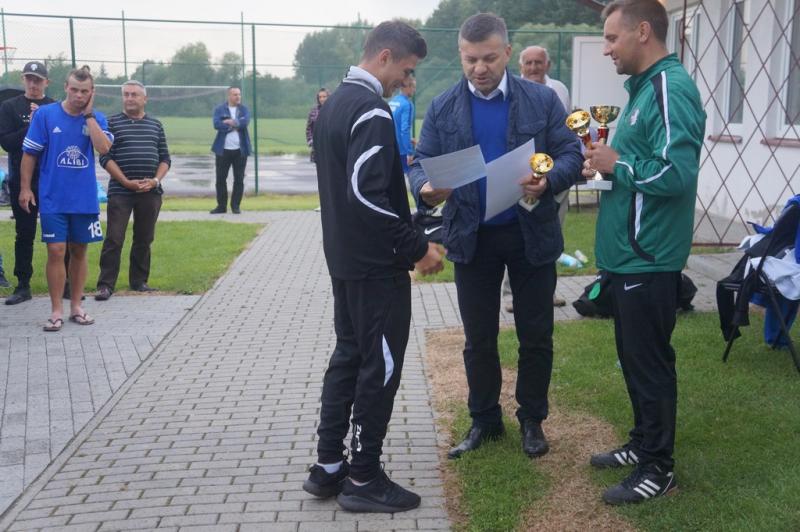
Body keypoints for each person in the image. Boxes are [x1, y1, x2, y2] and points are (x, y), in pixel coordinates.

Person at [409, 13, 582, 460]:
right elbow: (420, 162)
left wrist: (549, 179)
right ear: (460, 55)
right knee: (479, 338)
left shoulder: (542, 100)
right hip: (473, 237)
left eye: (488, 58)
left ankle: (532, 420)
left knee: (536, 334)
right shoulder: (443, 106)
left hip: (531, 235)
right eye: (470, 59)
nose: (479, 68)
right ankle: (484, 419)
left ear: (507, 52)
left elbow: (570, 151)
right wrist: (424, 188)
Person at [303, 20, 443, 513]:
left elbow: (353, 191)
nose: (406, 82)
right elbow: (365, 195)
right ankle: (363, 476)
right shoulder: (371, 110)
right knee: (378, 366)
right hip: (375, 267)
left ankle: (328, 466)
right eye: (405, 71)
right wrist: (416, 247)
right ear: (384, 56)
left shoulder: (333, 104)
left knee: (348, 356)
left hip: (344, 261)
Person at [582, 0, 705, 505]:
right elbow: (636, 165)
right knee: (634, 361)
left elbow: (678, 174)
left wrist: (618, 164)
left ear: (644, 32)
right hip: (628, 257)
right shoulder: (641, 90)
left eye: (612, 38)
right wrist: (604, 166)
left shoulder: (670, 88)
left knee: (650, 365)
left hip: (650, 258)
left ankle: (658, 468)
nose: (606, 49)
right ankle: (641, 443)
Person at [19, 66, 113, 331]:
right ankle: (56, 310)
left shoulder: (97, 118)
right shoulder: (46, 115)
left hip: (84, 199)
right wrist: (25, 189)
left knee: (79, 250)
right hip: (53, 197)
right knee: (56, 250)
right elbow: (29, 154)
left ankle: (76, 307)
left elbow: (104, 148)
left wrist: (89, 116)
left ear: (91, 92)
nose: (78, 95)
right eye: (74, 90)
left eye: (84, 91)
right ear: (65, 87)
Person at [503, 45, 575, 312]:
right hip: (524, 179)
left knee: (552, 232)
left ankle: (548, 291)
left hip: (556, 177)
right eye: (529, 63)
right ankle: (510, 293)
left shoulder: (560, 90)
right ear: (520, 66)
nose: (533, 67)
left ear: (548, 65)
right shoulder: (511, 92)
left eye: (538, 62)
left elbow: (566, 134)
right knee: (516, 234)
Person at [95, 80, 171, 301]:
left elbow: (165, 158)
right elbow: (105, 157)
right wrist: (126, 181)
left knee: (144, 238)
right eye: (126, 94)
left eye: (134, 94)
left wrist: (155, 181)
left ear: (144, 99)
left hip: (150, 192)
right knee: (114, 238)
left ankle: (139, 281)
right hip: (121, 191)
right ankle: (105, 285)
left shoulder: (155, 125)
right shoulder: (111, 123)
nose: (129, 98)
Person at [0, 61, 55, 305]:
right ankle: (23, 285)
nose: (33, 84)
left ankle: (64, 283)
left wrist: (42, 120)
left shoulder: (54, 107)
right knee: (25, 233)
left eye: (38, 80)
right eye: (29, 78)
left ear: (46, 82)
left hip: (51, 180)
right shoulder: (9, 106)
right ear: (23, 79)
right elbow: (7, 143)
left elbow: (58, 141)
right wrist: (31, 126)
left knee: (58, 233)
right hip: (22, 181)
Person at [210, 86, 251, 214]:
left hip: (240, 150)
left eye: (239, 94)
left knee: (239, 179)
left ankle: (235, 206)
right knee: (220, 179)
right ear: (229, 96)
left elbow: (245, 122)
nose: (238, 97)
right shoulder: (219, 109)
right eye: (235, 94)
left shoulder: (244, 109)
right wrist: (234, 125)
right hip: (223, 150)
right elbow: (216, 124)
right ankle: (221, 206)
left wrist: (230, 122)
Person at [387, 76, 416, 174]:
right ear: (407, 87)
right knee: (408, 177)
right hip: (402, 151)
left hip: (390, 147)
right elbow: (405, 129)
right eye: (413, 87)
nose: (414, 90)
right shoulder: (407, 104)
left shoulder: (392, 101)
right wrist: (409, 152)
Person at [305, 88, 328, 163]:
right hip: (316, 147)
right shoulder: (313, 111)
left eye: (324, 96)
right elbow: (309, 128)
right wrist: (310, 141)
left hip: (330, 147)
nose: (322, 99)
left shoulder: (334, 110)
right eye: (320, 97)